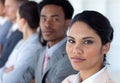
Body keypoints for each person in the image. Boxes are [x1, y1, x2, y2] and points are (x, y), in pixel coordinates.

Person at [20, 0, 77, 83]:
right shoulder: (39, 53)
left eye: (55, 19)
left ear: (68, 23)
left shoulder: (72, 55)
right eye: (43, 19)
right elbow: (23, 80)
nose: (47, 24)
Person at [62, 11, 115, 83]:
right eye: (72, 41)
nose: (76, 50)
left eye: (87, 42)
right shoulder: (68, 81)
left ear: (105, 47)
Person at [0, 1, 41, 83]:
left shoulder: (33, 46)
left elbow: (10, 79)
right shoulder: (21, 42)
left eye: (17, 18)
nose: (16, 21)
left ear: (23, 21)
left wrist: (5, 70)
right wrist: (5, 70)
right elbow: (5, 67)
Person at [0, 0, 26, 68]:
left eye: (8, 7)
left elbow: (5, 61)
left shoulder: (21, 33)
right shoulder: (12, 28)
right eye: (5, 7)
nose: (5, 11)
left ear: (20, 8)